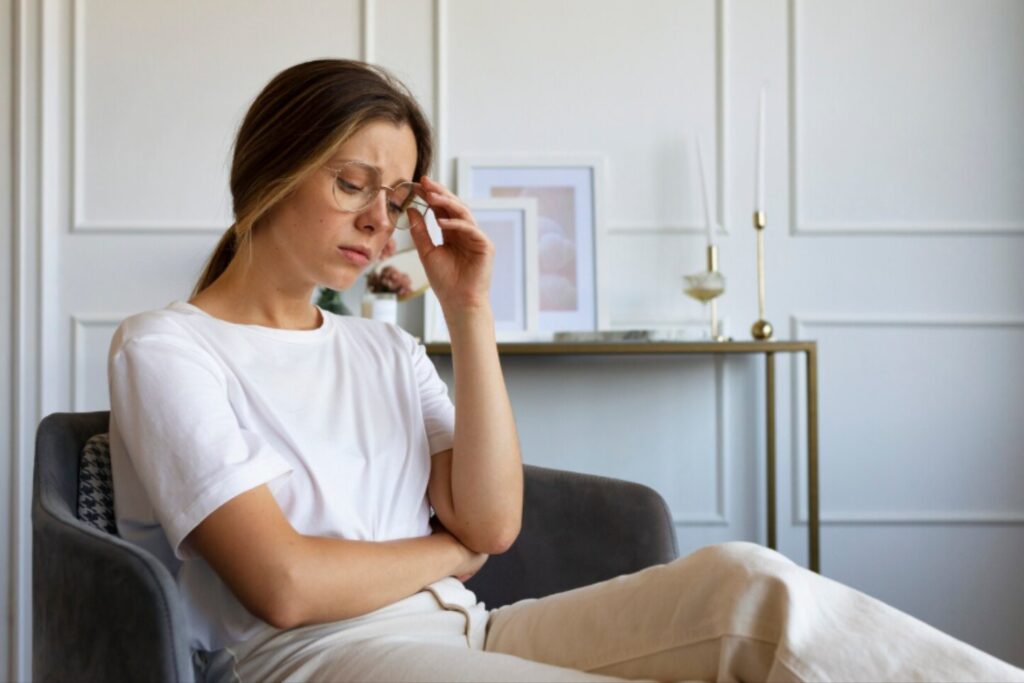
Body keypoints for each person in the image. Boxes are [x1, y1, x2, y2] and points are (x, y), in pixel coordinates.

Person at [107, 59, 1024, 683]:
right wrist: (451, 554)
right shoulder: (166, 347)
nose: (378, 223)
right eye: (352, 184)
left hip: (465, 628)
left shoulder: (380, 346)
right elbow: (287, 585)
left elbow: (493, 518)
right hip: (315, 659)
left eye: (395, 199)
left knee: (747, 583)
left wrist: (468, 310)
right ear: (270, 170)